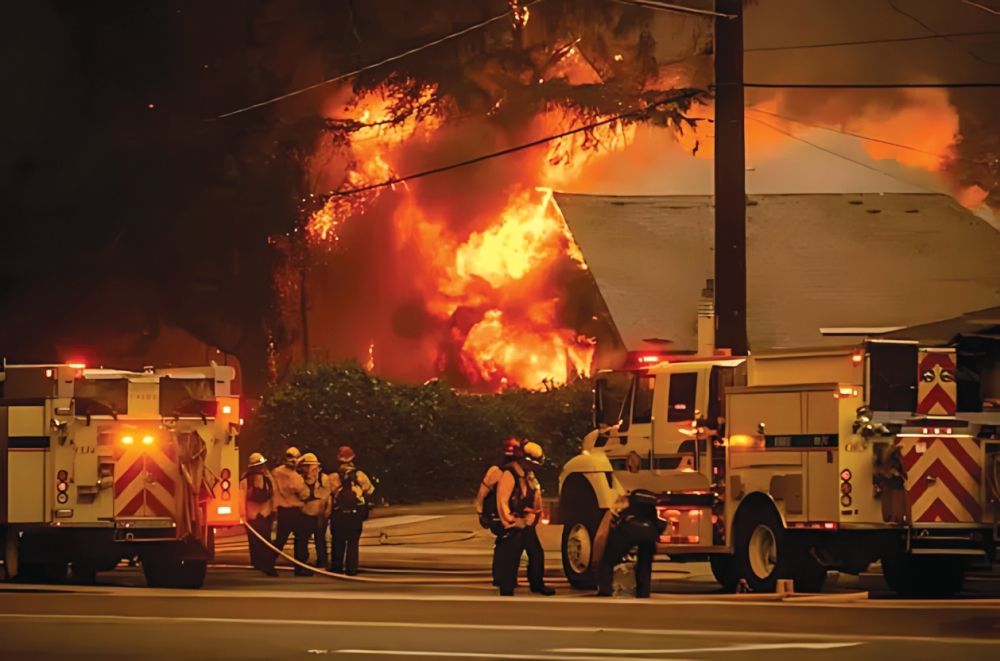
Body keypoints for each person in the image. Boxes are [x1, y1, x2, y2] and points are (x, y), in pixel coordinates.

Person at [493, 441, 555, 596]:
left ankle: (537, 584)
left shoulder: (529, 476)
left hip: (526, 522)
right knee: (511, 556)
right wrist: (510, 522)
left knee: (536, 554)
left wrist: (532, 517)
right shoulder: (509, 474)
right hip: (513, 524)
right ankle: (506, 589)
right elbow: (502, 501)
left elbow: (535, 498)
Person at [592, 489, 665, 598]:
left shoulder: (617, 506)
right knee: (644, 564)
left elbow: (601, 536)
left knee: (608, 560)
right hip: (650, 532)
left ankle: (605, 590)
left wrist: (596, 560)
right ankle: (643, 592)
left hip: (628, 529)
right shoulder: (650, 510)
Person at [328, 445, 374, 575]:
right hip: (355, 515)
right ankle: (351, 568)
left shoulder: (333, 477)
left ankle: (336, 567)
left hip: (338, 515)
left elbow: (328, 495)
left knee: (338, 541)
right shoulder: (360, 475)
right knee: (353, 543)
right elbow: (369, 490)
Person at [272, 446, 312, 576]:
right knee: (301, 539)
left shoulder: (275, 472)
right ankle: (300, 568)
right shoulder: (295, 477)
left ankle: (268, 564)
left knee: (279, 540)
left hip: (282, 511)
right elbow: (304, 494)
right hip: (294, 511)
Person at [239, 452, 278, 576]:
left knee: (261, 539)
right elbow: (241, 498)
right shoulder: (248, 480)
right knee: (258, 540)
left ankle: (260, 562)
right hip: (257, 514)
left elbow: (273, 495)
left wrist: (273, 510)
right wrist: (243, 515)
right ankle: (260, 562)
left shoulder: (265, 479)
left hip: (261, 514)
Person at [298, 452, 332, 569]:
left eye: (311, 466)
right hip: (304, 514)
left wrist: (327, 511)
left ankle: (322, 561)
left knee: (320, 540)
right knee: (302, 540)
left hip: (320, 515)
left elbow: (328, 497)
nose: (309, 469)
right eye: (306, 466)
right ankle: (301, 563)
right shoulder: (299, 480)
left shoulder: (324, 479)